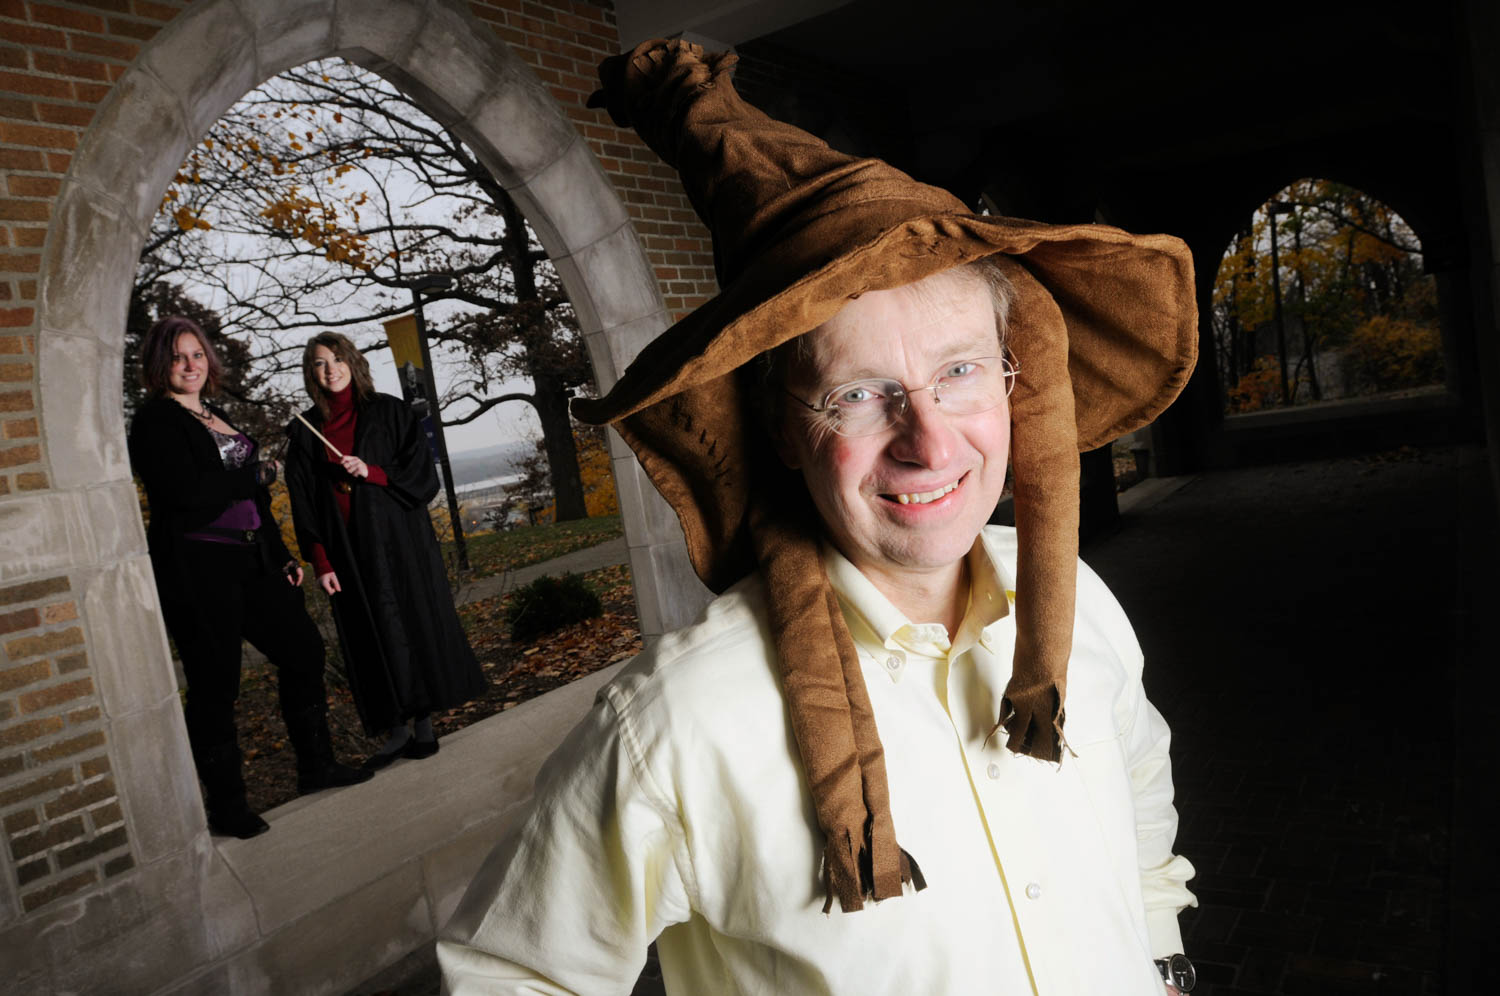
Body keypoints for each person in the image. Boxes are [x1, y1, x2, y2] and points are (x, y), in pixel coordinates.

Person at [439, 40, 1200, 995]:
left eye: (961, 370)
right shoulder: (678, 725)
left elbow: (1140, 798)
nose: (929, 442)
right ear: (784, 430)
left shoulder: (1081, 603)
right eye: (861, 394)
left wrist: (1163, 963)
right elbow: (505, 976)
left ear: (1018, 384)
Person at [128, 316, 371, 841]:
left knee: (304, 651)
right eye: (177, 357)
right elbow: (183, 493)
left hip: (253, 561)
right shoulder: (154, 423)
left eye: (197, 355)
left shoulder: (215, 414)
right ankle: (228, 805)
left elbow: (254, 501)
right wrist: (253, 473)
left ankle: (316, 767)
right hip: (198, 571)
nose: (190, 365)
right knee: (217, 685)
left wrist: (281, 552)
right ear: (159, 366)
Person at [284, 331, 485, 769]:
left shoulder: (390, 412)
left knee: (408, 621)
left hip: (397, 542)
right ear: (311, 373)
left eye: (337, 359)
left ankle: (425, 724)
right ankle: (396, 730)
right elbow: (302, 501)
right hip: (347, 550)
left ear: (353, 362)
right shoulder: (305, 432)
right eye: (320, 363)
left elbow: (421, 476)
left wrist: (372, 471)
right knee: (369, 632)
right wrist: (320, 560)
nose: (330, 368)